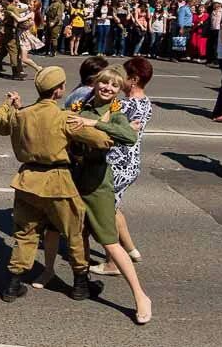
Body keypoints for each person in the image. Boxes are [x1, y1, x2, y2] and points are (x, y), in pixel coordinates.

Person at [0, 66, 114, 303]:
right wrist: (99, 123)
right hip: (57, 182)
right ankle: (80, 284)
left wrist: (9, 104)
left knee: (26, 234)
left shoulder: (22, 115)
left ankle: (13, 285)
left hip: (27, 182)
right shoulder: (63, 118)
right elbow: (104, 141)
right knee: (74, 232)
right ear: (58, 90)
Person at [36, 65, 152, 325]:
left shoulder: (116, 112)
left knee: (109, 241)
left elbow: (128, 136)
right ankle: (50, 272)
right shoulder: (81, 104)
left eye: (114, 86)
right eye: (104, 83)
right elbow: (57, 118)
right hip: (71, 178)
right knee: (58, 230)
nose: (108, 88)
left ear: (119, 89)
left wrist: (95, 123)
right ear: (96, 83)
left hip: (97, 183)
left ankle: (140, 296)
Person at [90, 57, 153, 274]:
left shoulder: (124, 105)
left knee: (106, 211)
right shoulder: (146, 102)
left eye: (123, 76)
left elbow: (104, 124)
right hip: (132, 161)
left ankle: (112, 263)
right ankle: (132, 250)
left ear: (133, 79)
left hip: (117, 162)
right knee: (115, 208)